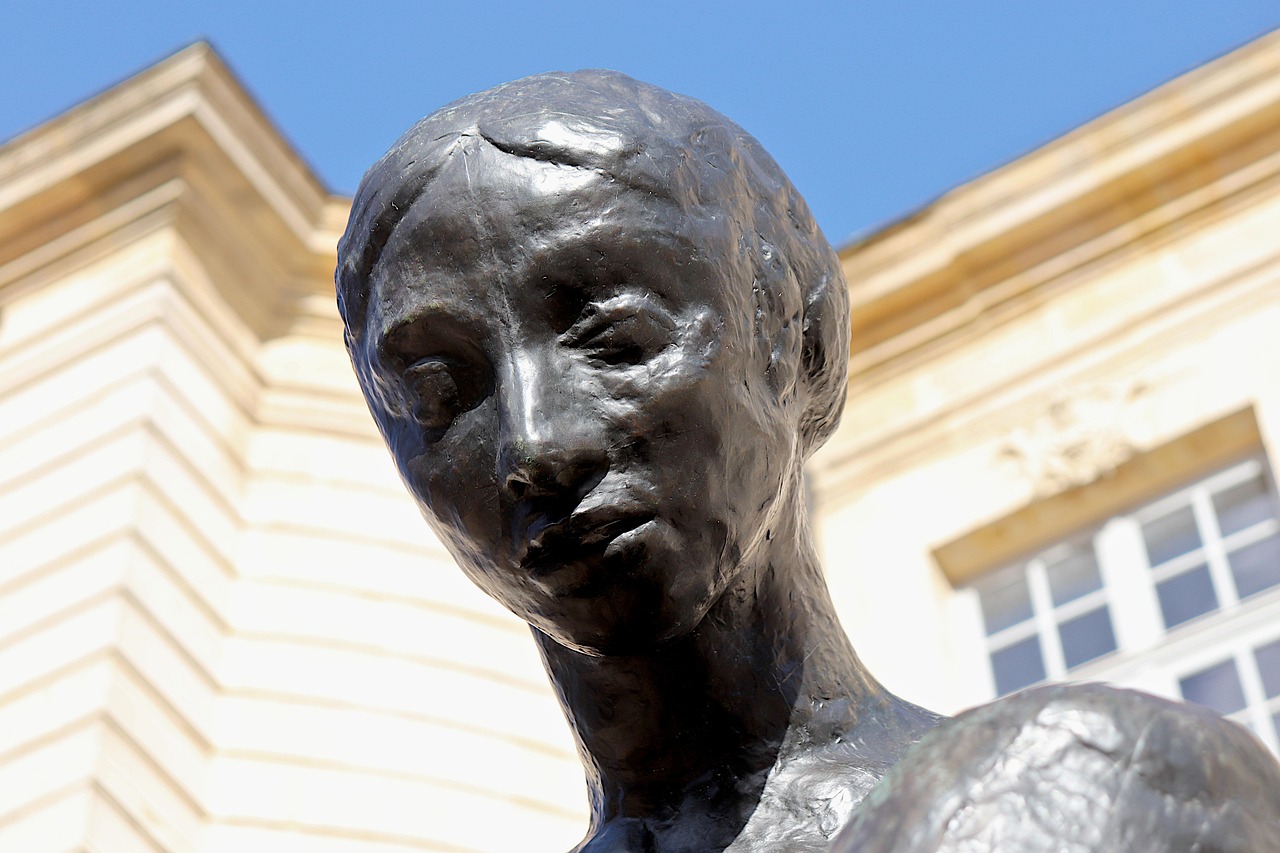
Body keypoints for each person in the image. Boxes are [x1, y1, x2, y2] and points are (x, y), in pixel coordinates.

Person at [336, 70, 1280, 852]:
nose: (537, 444)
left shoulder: (1081, 801)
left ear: (798, 339)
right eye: (435, 393)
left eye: (616, 337)